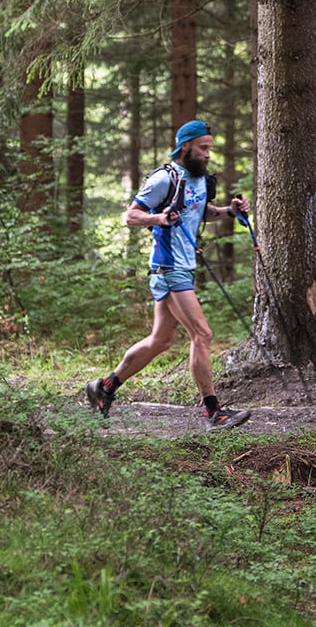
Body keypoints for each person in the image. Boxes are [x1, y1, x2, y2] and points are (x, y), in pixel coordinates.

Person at [83, 120, 252, 429]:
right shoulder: (165, 178)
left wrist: (230, 212)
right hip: (168, 267)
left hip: (185, 267)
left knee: (160, 340)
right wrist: (158, 217)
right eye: (203, 148)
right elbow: (131, 216)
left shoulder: (199, 179)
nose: (207, 154)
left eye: (210, 148)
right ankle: (214, 413)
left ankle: (104, 387)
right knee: (202, 334)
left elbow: (201, 214)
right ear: (185, 146)